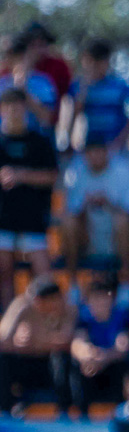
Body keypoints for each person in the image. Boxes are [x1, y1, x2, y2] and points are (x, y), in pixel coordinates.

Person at [0, 87, 60, 303]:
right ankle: (7, 319)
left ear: (25, 109)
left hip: (33, 220)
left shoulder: (40, 141)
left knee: (44, 278)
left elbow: (52, 176)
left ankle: (44, 318)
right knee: (4, 273)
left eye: (18, 107)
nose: (14, 111)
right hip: (3, 220)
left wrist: (21, 176)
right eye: (9, 107)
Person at [0, 275, 73, 417]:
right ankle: (6, 409)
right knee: (3, 360)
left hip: (49, 367)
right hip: (26, 363)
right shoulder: (22, 305)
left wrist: (34, 342)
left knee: (61, 359)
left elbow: (66, 342)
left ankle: (64, 411)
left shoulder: (68, 309)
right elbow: (3, 340)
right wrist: (20, 343)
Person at [61, 138, 129, 270]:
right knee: (68, 221)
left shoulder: (123, 170)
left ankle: (125, 279)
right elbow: (72, 210)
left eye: (99, 151)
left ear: (106, 152)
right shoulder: (75, 172)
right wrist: (87, 203)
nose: (95, 156)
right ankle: (72, 280)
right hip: (88, 235)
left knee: (123, 220)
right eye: (91, 152)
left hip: (116, 236)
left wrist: (108, 203)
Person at [69, 275, 129, 416]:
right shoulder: (84, 317)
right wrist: (88, 357)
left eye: (104, 297)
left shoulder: (121, 316)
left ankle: (121, 416)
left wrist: (103, 358)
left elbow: (122, 347)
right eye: (96, 297)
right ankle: (82, 415)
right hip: (91, 367)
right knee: (78, 368)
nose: (100, 301)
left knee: (123, 368)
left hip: (111, 366)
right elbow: (78, 344)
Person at [59, 39, 129, 155]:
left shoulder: (119, 86)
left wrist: (122, 138)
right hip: (90, 149)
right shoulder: (78, 86)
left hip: (115, 149)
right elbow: (71, 113)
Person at [0, 35, 59, 134]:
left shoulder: (43, 82)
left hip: (37, 137)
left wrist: (24, 90)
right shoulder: (2, 83)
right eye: (14, 56)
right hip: (7, 138)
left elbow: (47, 118)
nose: (19, 61)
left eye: (22, 56)